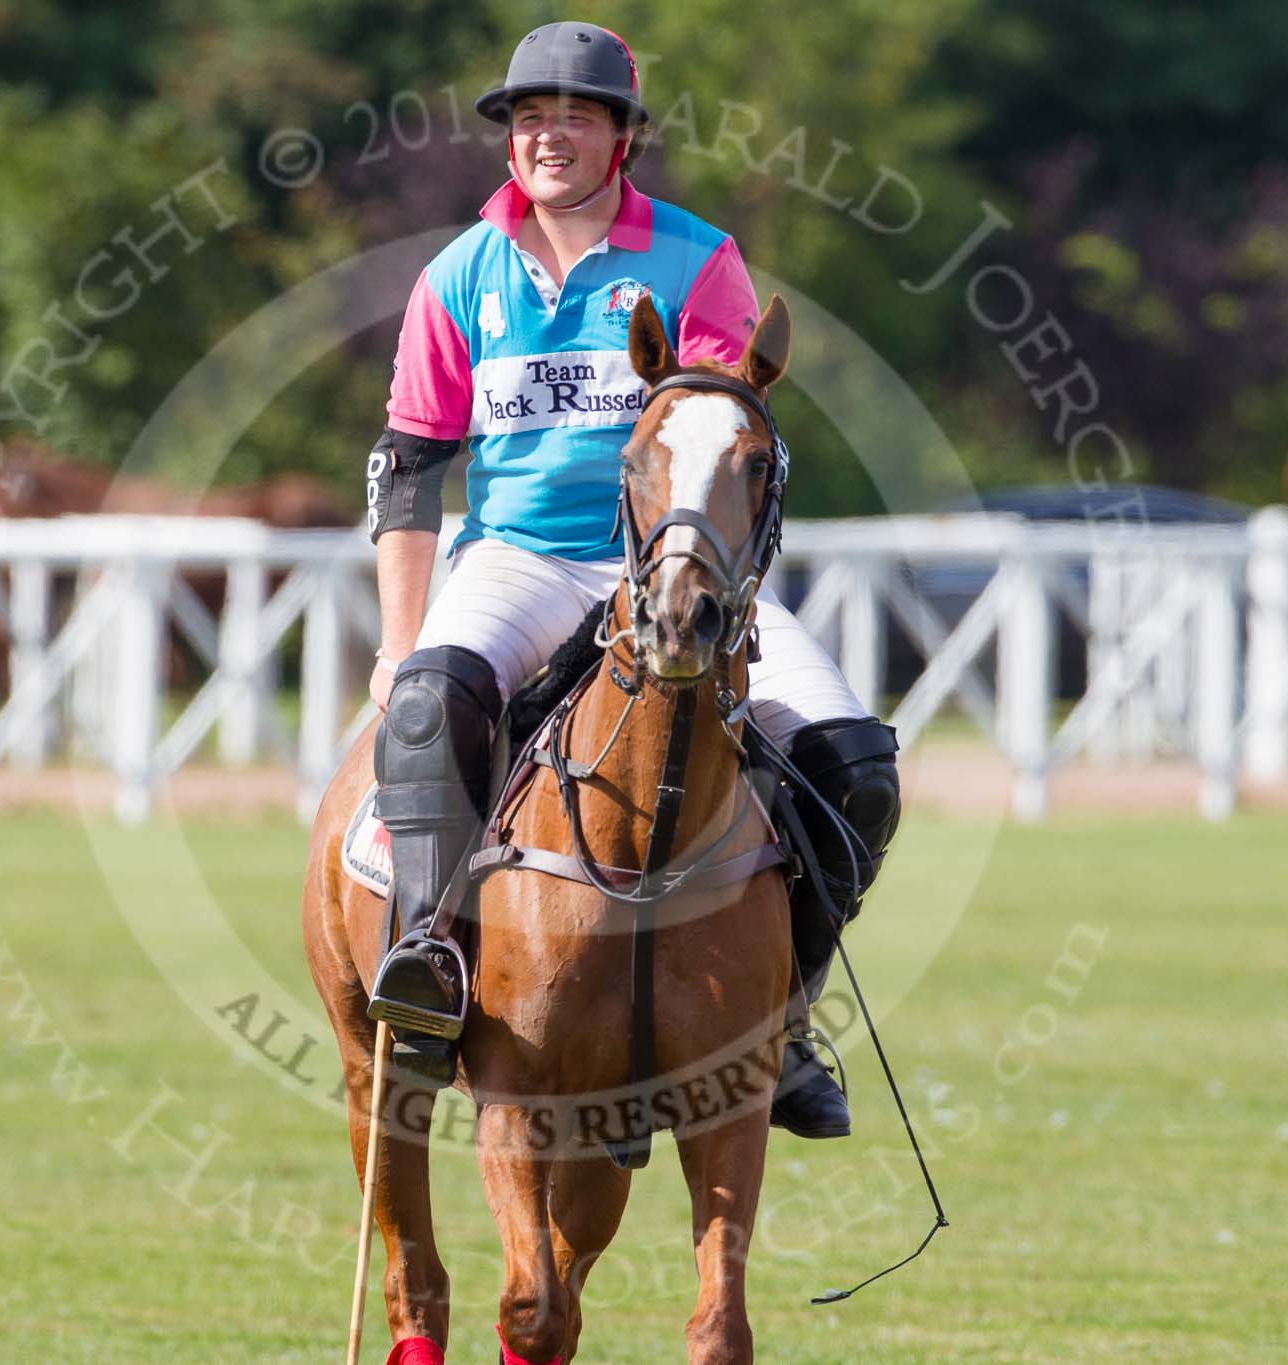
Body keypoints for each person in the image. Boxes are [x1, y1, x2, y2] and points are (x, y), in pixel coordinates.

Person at [362, 21, 899, 1140]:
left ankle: (783, 1015)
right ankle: (426, 961)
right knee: (428, 702)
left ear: (622, 140)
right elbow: (410, 470)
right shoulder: (456, 277)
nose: (546, 135)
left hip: (665, 568)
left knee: (855, 760)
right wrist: (396, 639)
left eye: (574, 115)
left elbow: (724, 428)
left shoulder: (696, 260)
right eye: (527, 117)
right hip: (519, 556)